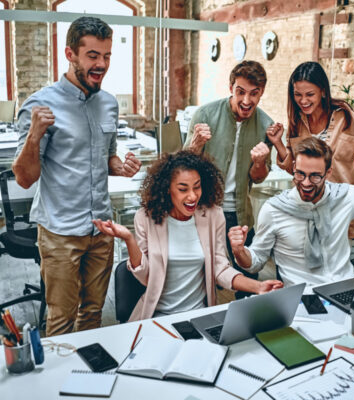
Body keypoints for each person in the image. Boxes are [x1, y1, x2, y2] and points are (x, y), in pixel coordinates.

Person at [13, 17, 141, 337]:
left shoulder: (109, 104)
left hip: (101, 227)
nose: (101, 64)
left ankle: (86, 377)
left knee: (94, 312)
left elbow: (105, 158)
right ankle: (56, 384)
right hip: (60, 231)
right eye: (93, 56)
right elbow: (24, 179)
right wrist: (33, 136)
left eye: (107, 56)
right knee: (61, 317)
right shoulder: (40, 105)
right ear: (70, 54)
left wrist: (120, 166)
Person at [93, 151, 283, 322]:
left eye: (197, 187)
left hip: (199, 316)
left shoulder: (213, 216)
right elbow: (145, 276)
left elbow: (220, 269)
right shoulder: (145, 218)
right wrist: (129, 239)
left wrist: (258, 287)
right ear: (168, 189)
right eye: (183, 189)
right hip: (156, 317)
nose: (192, 196)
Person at [228, 137, 354, 287]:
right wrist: (240, 251)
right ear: (294, 167)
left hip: (344, 288)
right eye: (300, 174)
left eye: (315, 176)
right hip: (303, 299)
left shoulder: (345, 197)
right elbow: (255, 263)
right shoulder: (274, 210)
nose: (306, 183)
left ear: (328, 173)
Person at [184, 60, 273, 292]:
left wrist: (260, 162)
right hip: (205, 213)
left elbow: (259, 177)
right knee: (208, 279)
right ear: (231, 87)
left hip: (241, 216)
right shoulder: (205, 114)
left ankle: (245, 324)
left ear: (261, 92)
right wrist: (195, 144)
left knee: (247, 276)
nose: (246, 101)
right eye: (240, 92)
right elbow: (181, 169)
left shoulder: (265, 124)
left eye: (254, 94)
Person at [266, 61, 354, 239]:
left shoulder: (347, 118)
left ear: (322, 91)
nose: (303, 101)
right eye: (298, 95)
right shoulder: (296, 121)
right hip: (302, 212)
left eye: (309, 94)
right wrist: (278, 144)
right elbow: (294, 170)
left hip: (338, 214)